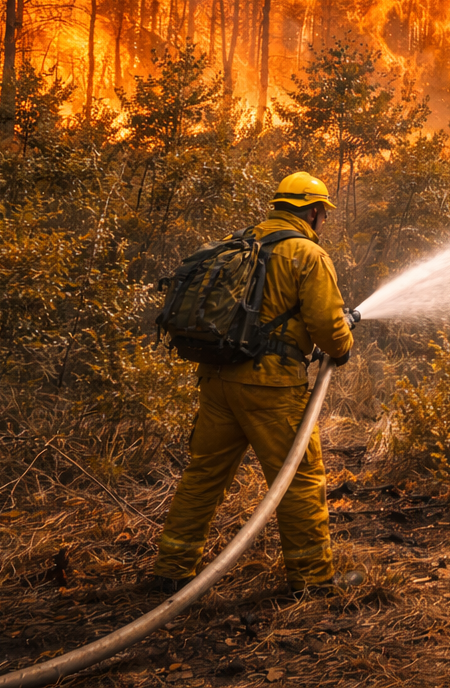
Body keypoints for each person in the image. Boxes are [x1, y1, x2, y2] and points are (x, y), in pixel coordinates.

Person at [150, 172, 360, 596]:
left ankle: (172, 568)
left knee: (204, 474)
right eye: (324, 213)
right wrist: (342, 346)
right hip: (270, 389)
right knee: (298, 479)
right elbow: (327, 325)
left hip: (217, 378)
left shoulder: (240, 243)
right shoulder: (307, 254)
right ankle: (313, 580)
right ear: (314, 212)